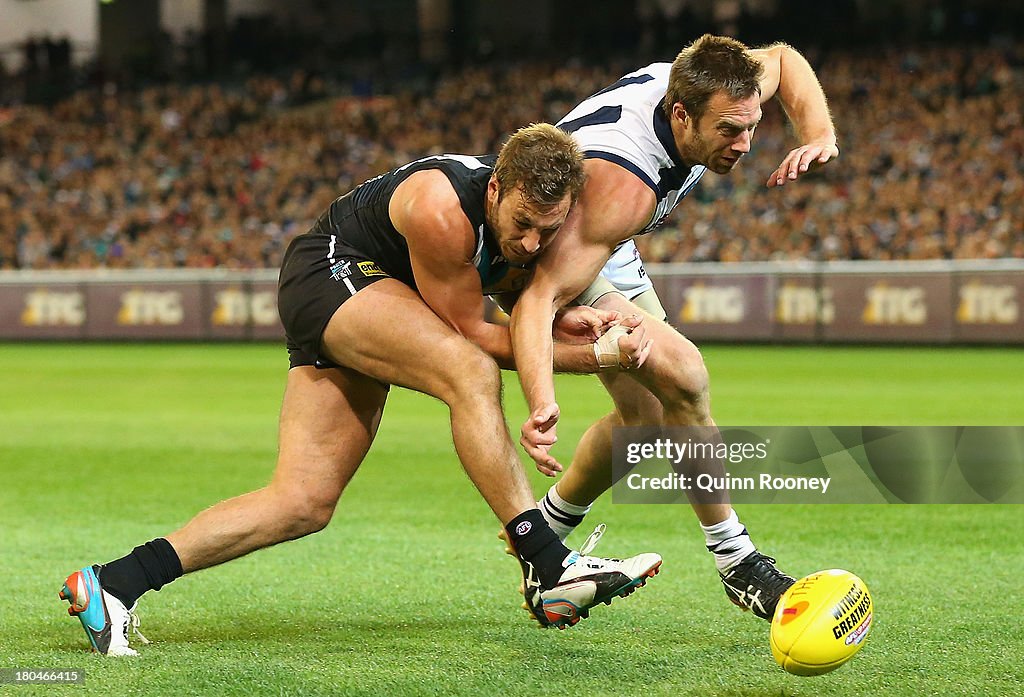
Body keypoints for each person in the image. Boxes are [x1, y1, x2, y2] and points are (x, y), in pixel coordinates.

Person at [58, 124, 662, 656]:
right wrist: (587, 355)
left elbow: (515, 312)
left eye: (546, 231)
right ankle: (546, 559)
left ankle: (112, 584)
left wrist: (563, 330)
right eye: (522, 224)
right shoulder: (441, 206)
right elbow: (471, 333)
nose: (531, 244)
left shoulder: (532, 220)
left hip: (378, 295)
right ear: (497, 188)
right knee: (467, 371)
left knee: (303, 502)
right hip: (329, 273)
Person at [510, 36, 839, 621]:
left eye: (752, 128)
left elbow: (785, 58)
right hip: (555, 252)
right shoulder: (623, 181)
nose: (744, 144)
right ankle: (738, 563)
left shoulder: (717, 88)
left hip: (608, 246)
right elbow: (538, 297)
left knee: (649, 420)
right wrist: (542, 403)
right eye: (729, 131)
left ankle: (543, 543)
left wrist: (817, 135)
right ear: (679, 114)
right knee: (684, 376)